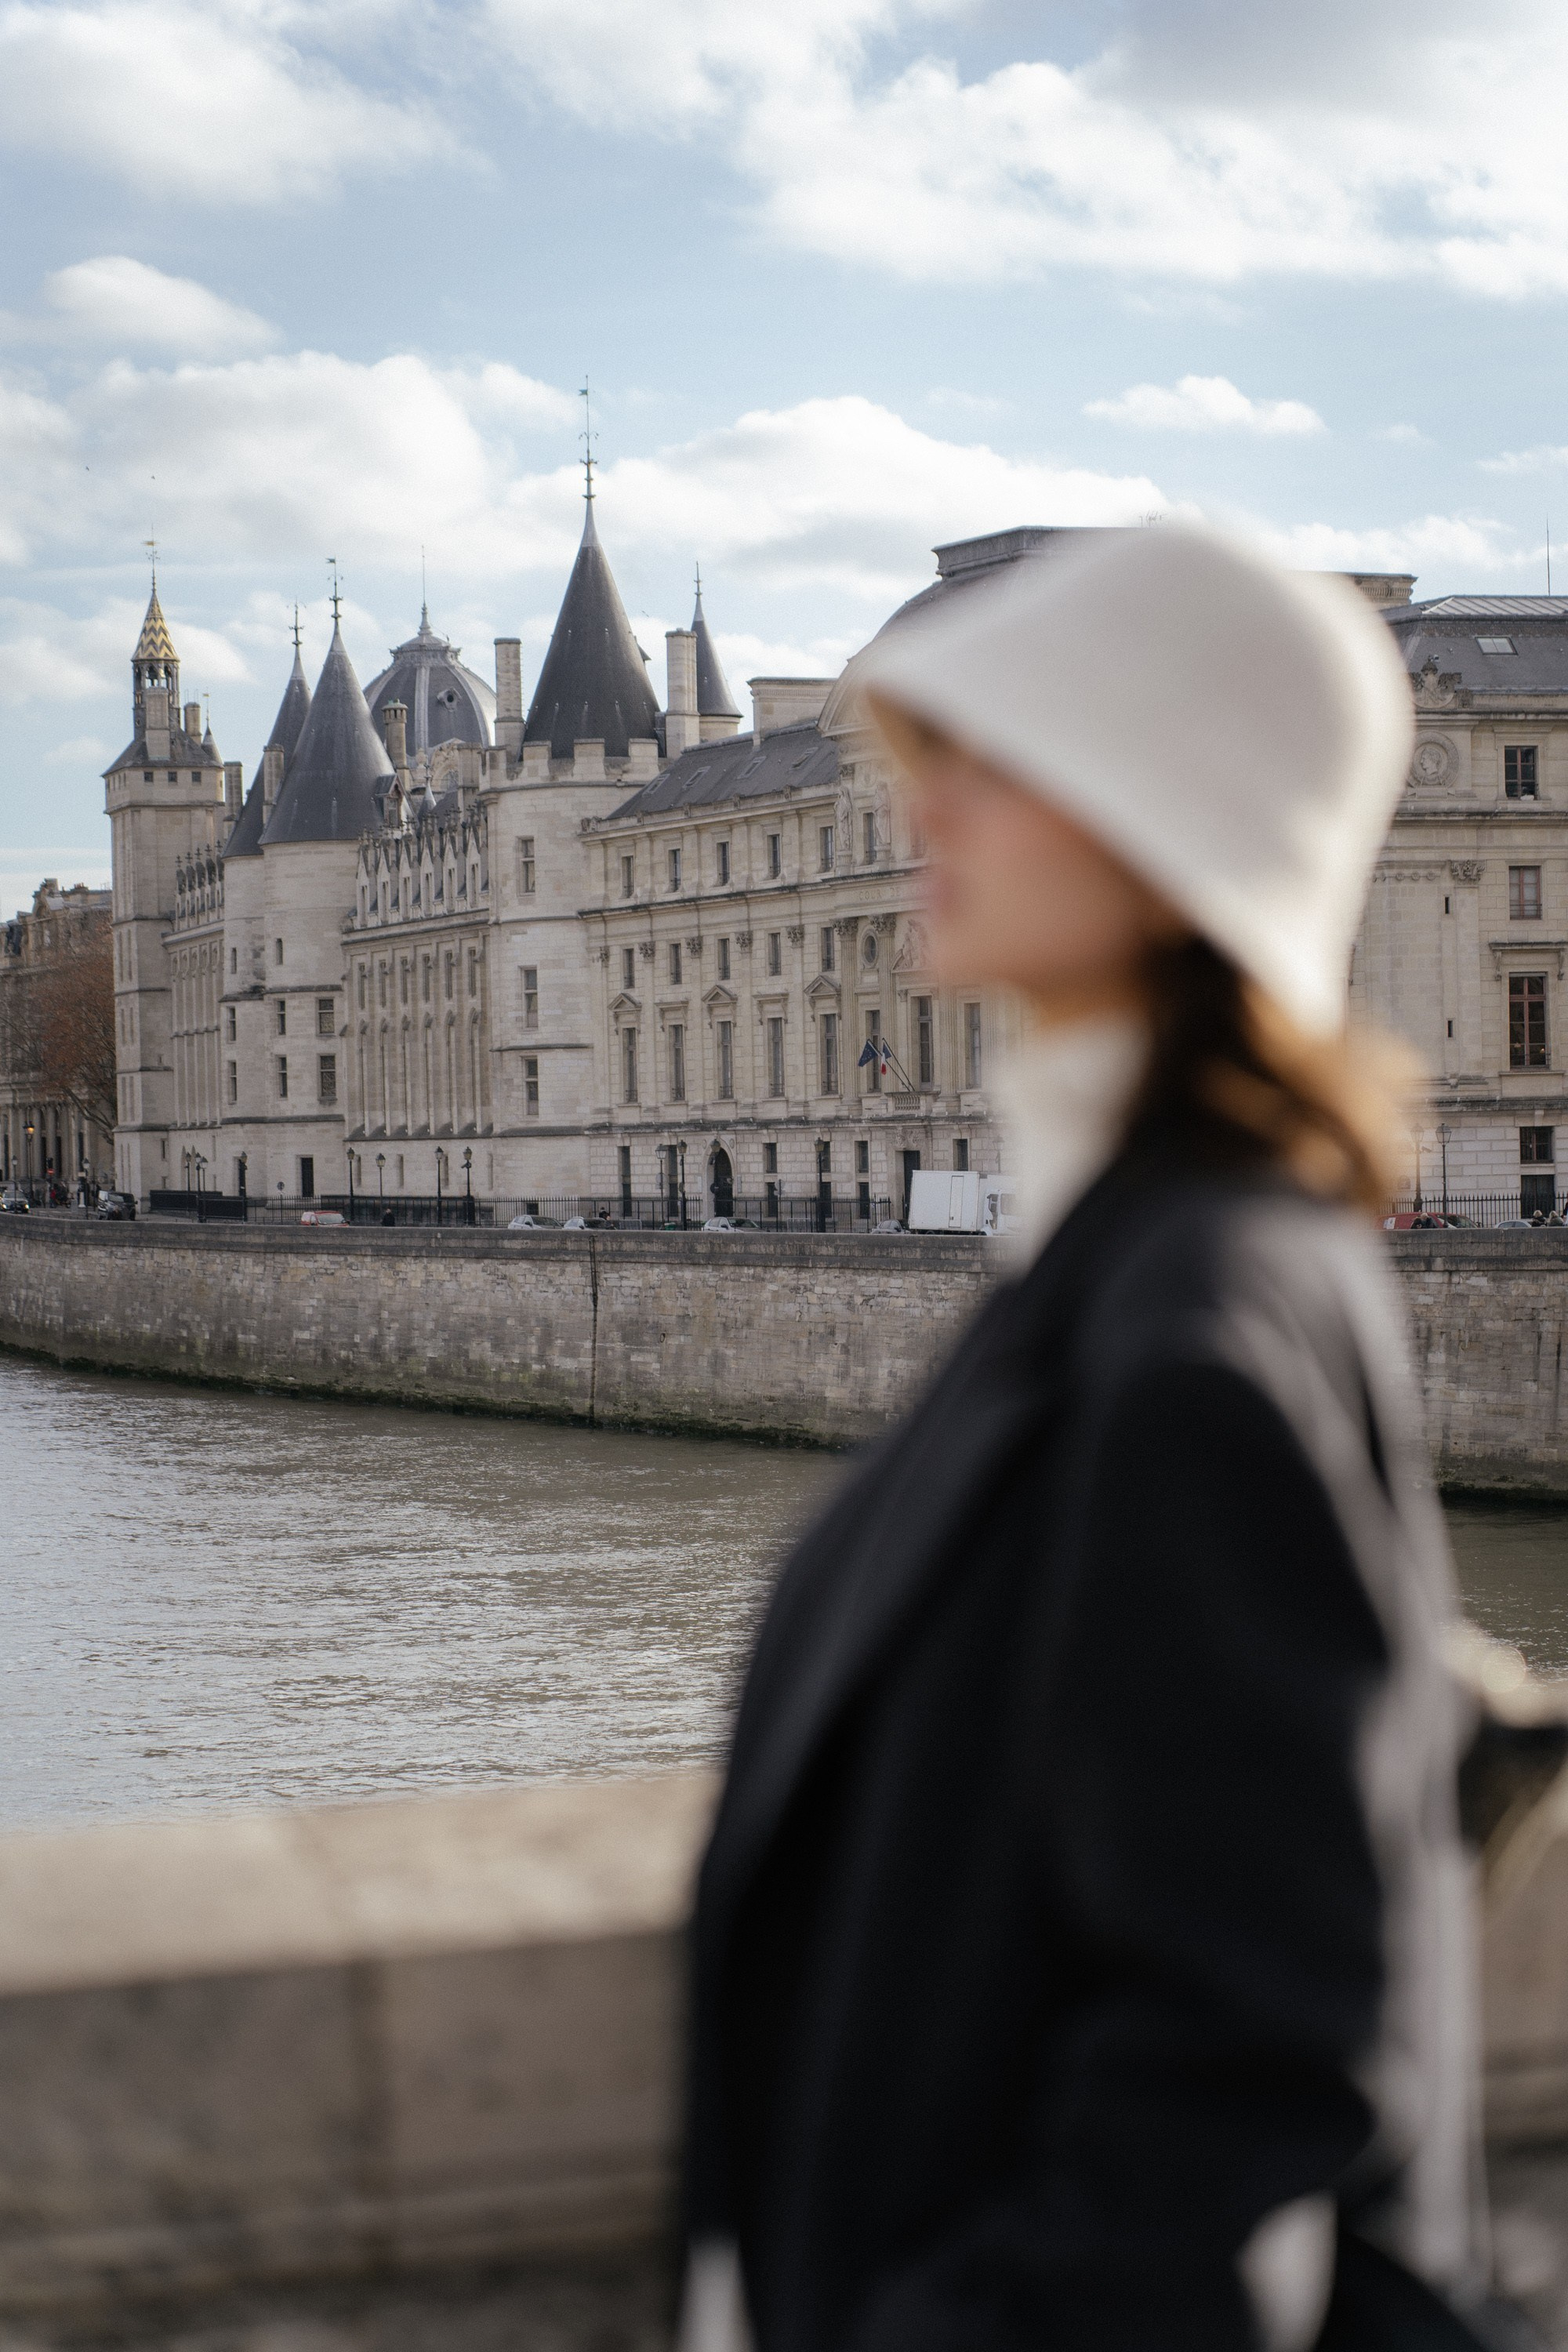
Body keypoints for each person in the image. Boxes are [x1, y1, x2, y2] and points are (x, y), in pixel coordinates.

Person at [681, 527, 1489, 2351]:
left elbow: (1250, 2056)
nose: (924, 815)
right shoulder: (1135, 1251)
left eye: (995, 763)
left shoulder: (1197, 1316)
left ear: (1164, 820)